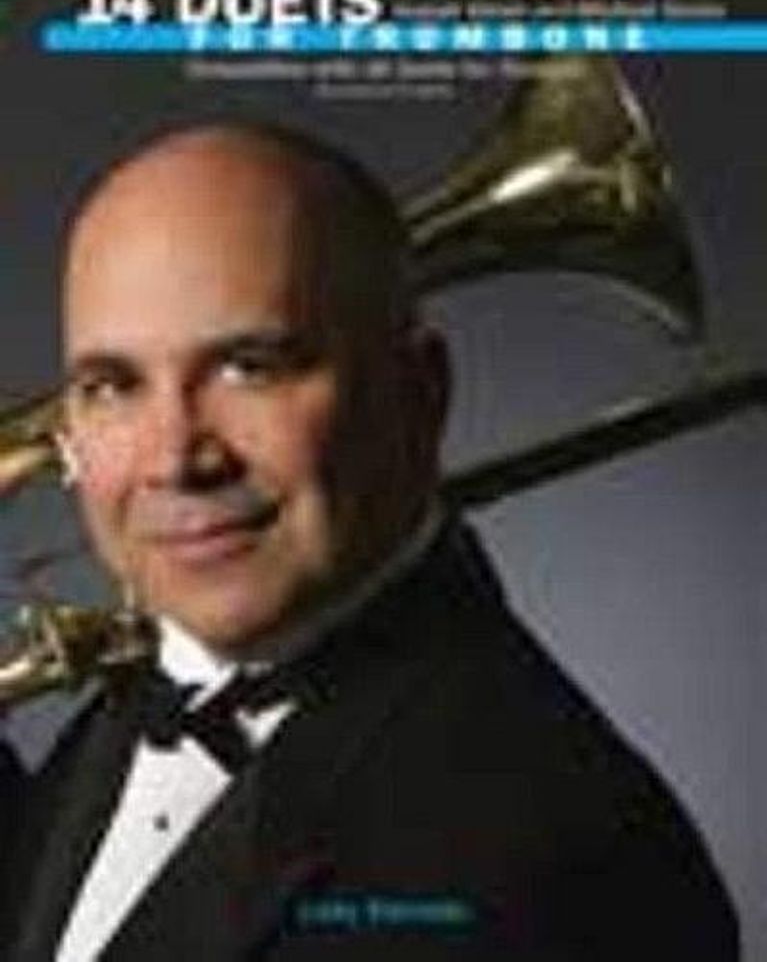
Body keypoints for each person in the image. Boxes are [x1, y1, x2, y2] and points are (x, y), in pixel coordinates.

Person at [5, 122, 738, 960]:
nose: (174, 459)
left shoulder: (582, 860)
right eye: (111, 385)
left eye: (251, 366)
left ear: (420, 393)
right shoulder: (147, 690)